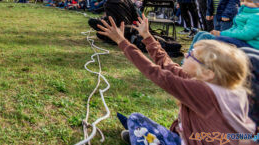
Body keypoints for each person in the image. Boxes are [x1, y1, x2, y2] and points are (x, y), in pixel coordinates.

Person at [97, 14, 255, 145]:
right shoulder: (217, 85)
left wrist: (122, 42)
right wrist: (147, 36)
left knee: (135, 122)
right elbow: (166, 64)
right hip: (188, 137)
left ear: (207, 72)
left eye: (192, 55)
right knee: (136, 119)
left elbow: (155, 72)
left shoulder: (204, 92)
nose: (186, 54)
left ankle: (144, 137)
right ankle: (143, 135)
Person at [189, 0, 259, 50]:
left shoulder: (255, 16)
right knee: (201, 33)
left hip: (250, 44)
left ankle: (194, 59)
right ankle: (189, 57)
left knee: (209, 37)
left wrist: (221, 34)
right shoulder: (243, 13)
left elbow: (246, 35)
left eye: (249, 2)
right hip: (240, 40)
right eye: (243, 1)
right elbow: (234, 29)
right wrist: (220, 32)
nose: (244, 3)